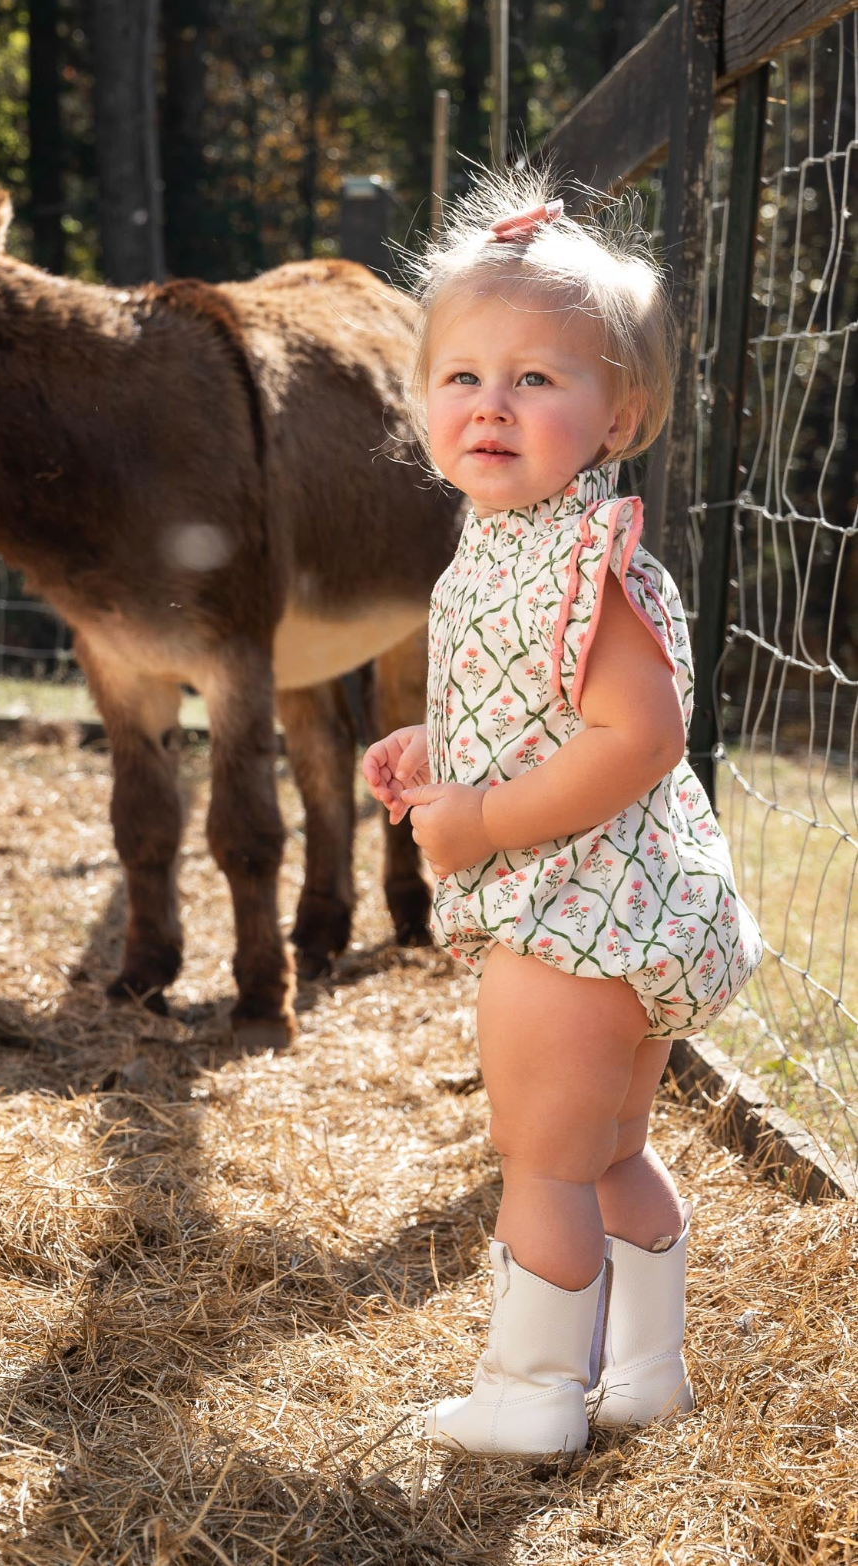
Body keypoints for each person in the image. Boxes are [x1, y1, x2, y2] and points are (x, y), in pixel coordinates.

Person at [362, 169, 762, 1457]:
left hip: (575, 914)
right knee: (604, 1153)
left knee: (540, 1160)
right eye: (463, 375)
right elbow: (538, 705)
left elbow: (640, 736)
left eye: (536, 378)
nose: (491, 403)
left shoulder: (591, 561)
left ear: (617, 413)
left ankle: (531, 1391)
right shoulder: (509, 541)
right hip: (612, 913)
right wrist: (441, 748)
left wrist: (482, 822)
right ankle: (643, 1372)